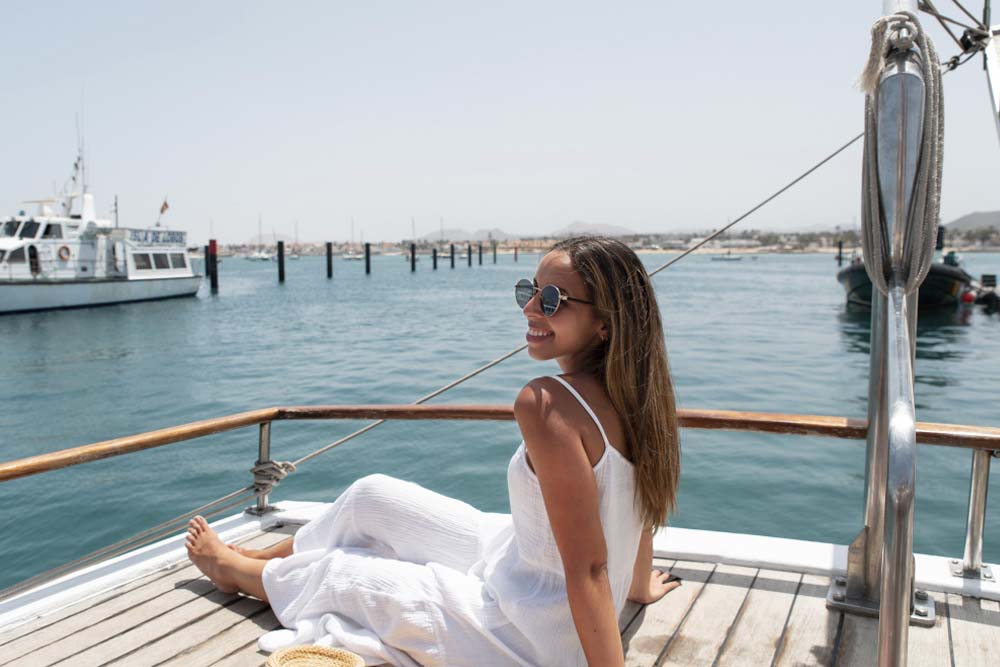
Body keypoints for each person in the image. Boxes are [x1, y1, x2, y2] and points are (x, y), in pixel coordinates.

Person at [186, 236, 682, 666]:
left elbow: (590, 568)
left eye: (553, 299)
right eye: (530, 291)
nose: (531, 308)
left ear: (605, 323)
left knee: (344, 574)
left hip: (529, 637)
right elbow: (637, 510)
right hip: (524, 566)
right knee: (371, 497)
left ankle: (237, 571)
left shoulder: (546, 403)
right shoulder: (639, 396)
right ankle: (256, 554)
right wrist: (636, 590)